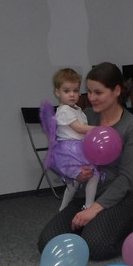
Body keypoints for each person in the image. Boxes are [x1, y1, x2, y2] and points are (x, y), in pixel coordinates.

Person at [37, 62, 133, 260]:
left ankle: (123, 232)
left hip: (123, 196)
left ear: (116, 90)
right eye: (88, 91)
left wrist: (94, 210)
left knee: (96, 247)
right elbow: (63, 151)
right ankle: (92, 228)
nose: (91, 97)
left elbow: (126, 178)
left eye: (98, 92)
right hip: (88, 193)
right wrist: (75, 175)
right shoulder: (84, 117)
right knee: (48, 243)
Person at [40, 68, 99, 212]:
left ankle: (63, 208)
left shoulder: (76, 109)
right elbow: (79, 128)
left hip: (77, 148)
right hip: (72, 150)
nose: (72, 94)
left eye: (76, 90)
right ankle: (88, 206)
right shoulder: (65, 110)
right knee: (94, 175)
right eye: (67, 91)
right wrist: (98, 129)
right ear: (57, 92)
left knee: (74, 183)